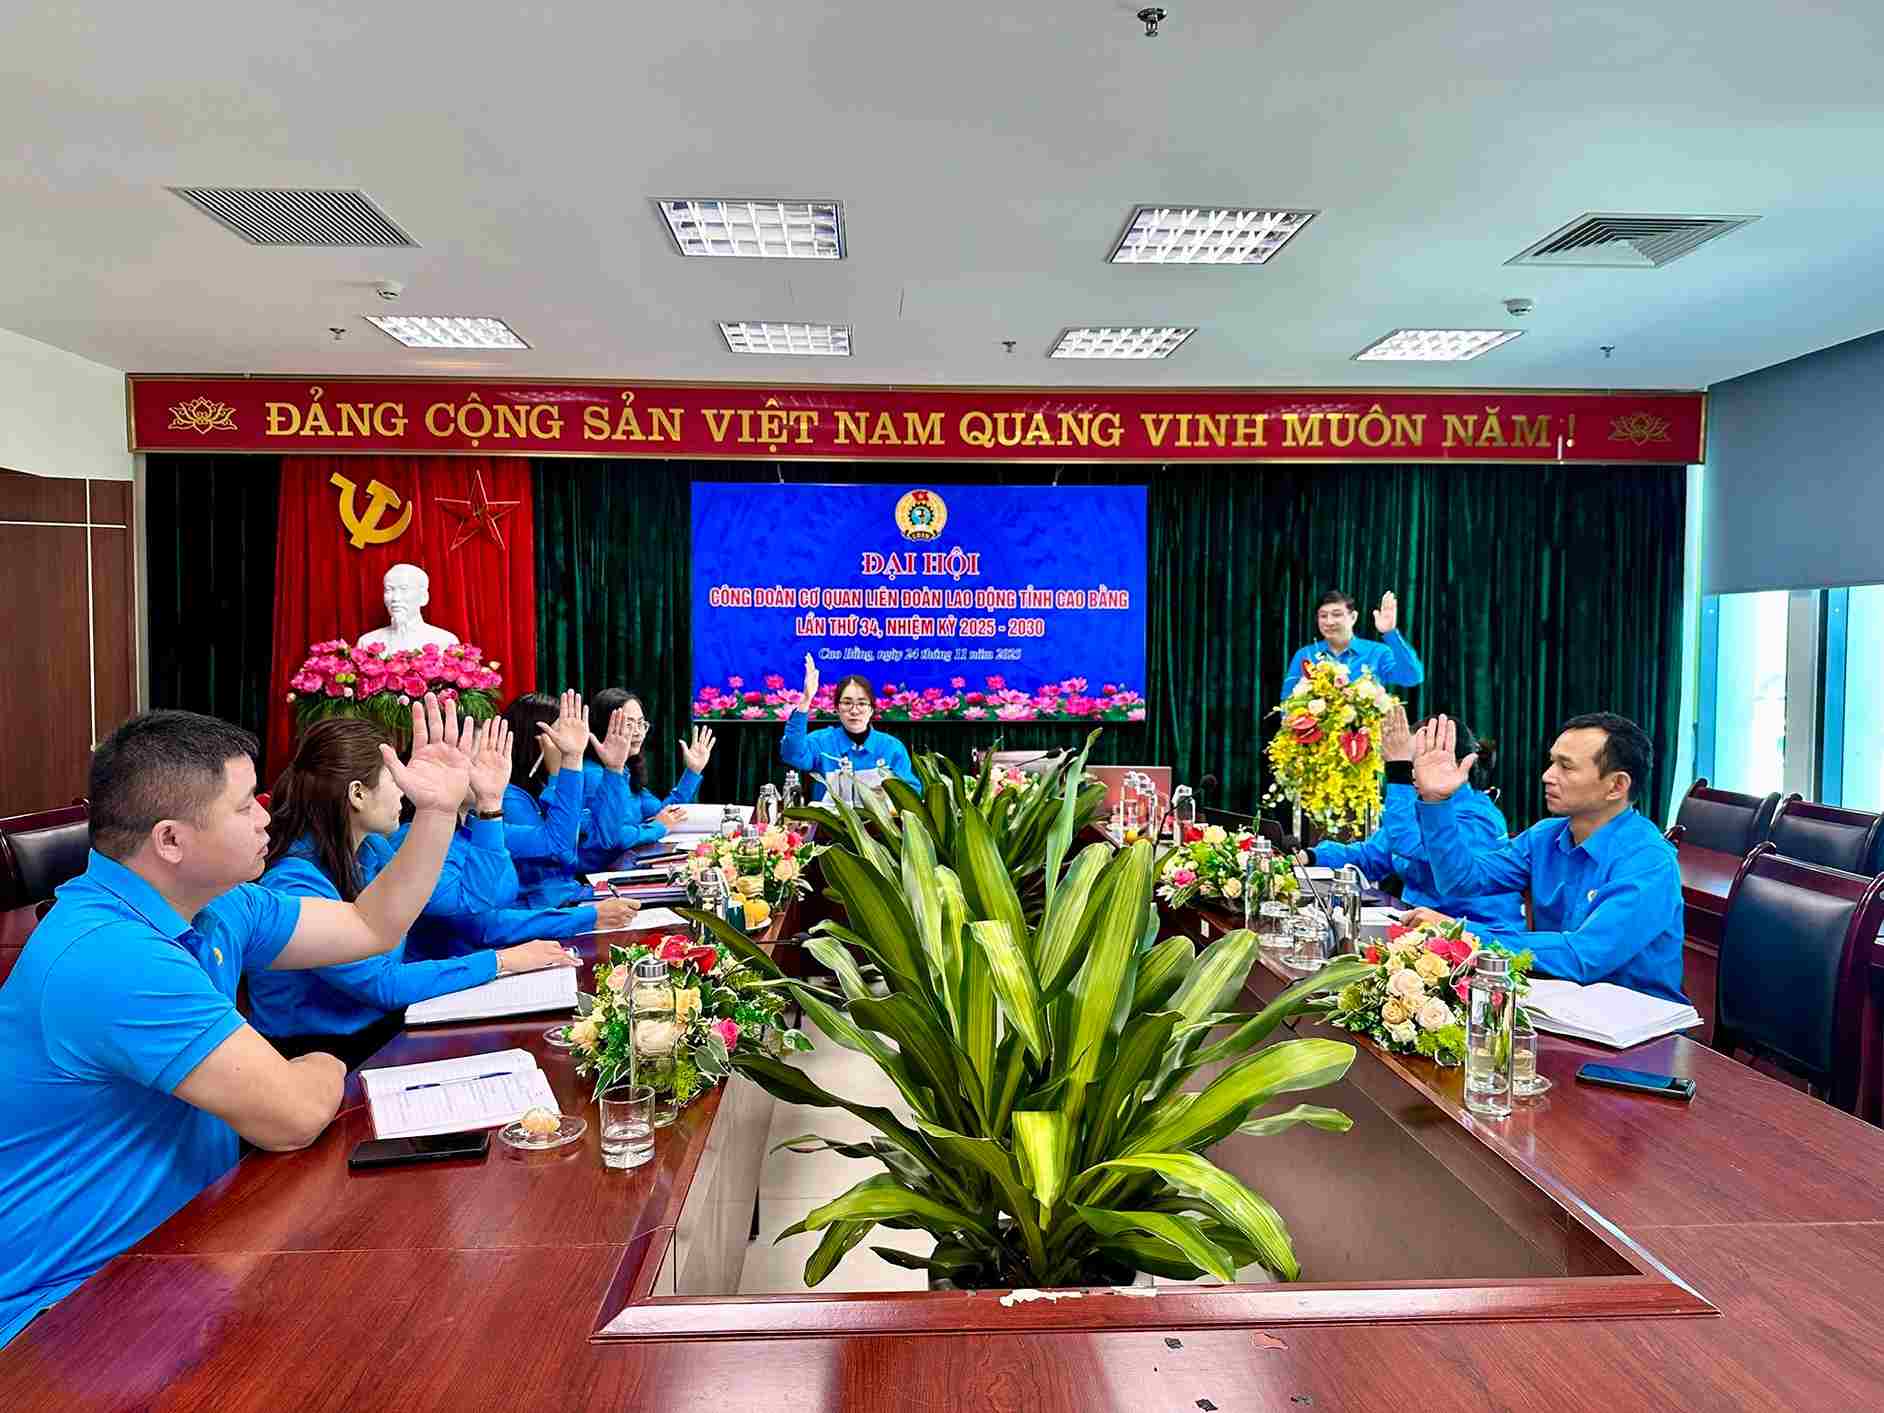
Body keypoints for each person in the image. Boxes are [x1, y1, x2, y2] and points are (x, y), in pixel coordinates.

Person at [0, 696, 470, 1348]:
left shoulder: (220, 903)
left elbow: (370, 926)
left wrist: (438, 813)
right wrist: (325, 1062)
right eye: (245, 804)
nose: (266, 815)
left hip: (187, 1246)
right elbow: (291, 1117)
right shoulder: (113, 954)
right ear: (171, 839)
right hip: (65, 1311)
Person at [247, 716, 581, 1066]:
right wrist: (502, 961)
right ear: (357, 794)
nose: (403, 792)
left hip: (381, 1029)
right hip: (320, 1054)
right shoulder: (294, 883)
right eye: (394, 780)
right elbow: (384, 985)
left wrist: (489, 802)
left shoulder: (373, 849)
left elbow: (478, 899)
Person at [1409, 711, 1686, 1002]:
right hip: (1560, 999)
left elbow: (1583, 957)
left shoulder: (1649, 861)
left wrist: (1462, 934)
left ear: (1616, 786)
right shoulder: (1545, 836)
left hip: (1637, 1016)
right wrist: (1436, 802)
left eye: (1566, 767)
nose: (1547, 776)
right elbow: (1460, 881)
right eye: (1552, 762)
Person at [1307, 706, 1526, 938]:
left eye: (1413, 763)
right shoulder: (1416, 804)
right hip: (1417, 926)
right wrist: (1310, 856)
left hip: (1476, 936)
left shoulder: (1480, 817)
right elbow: (1373, 854)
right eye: (1409, 765)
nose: (1412, 774)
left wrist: (1397, 773)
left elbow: (1411, 845)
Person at [575, 688, 717, 869]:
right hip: (600, 874)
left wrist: (692, 771)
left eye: (641, 724)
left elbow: (664, 814)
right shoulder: (593, 774)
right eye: (628, 724)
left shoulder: (626, 770)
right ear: (604, 728)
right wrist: (657, 827)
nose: (638, 732)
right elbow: (615, 837)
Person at [497, 689, 611, 907]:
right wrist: (561, 773)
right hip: (548, 908)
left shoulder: (542, 785)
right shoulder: (509, 798)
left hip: (571, 897)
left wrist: (615, 768)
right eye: (561, 733)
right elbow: (561, 851)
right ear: (537, 739)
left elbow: (603, 838)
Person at [780, 653, 920, 800]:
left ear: (871, 709)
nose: (854, 710)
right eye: (847, 703)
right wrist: (806, 700)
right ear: (837, 708)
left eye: (862, 703)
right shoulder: (821, 742)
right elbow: (793, 755)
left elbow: (912, 793)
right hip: (829, 815)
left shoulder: (891, 747)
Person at [1283, 589, 1424, 696]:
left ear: (1353, 617)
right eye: (1323, 616)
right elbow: (1287, 701)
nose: (1329, 622)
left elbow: (1412, 677)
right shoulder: (1306, 654)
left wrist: (1390, 633)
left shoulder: (1377, 652)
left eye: (1337, 614)